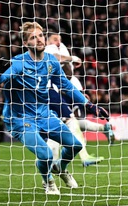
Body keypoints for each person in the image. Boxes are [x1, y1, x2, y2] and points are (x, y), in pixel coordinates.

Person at [0, 22, 110, 195]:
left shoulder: (51, 61)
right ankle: (48, 181)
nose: (38, 39)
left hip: (45, 114)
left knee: (75, 145)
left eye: (40, 35)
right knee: (45, 154)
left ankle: (60, 167)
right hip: (21, 118)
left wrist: (89, 105)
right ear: (25, 43)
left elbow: (66, 85)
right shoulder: (18, 63)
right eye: (32, 37)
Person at [45, 29, 115, 167]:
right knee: (66, 122)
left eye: (59, 39)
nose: (57, 41)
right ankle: (60, 161)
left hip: (64, 88)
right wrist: (72, 58)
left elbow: (67, 74)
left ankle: (61, 161)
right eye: (54, 39)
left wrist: (79, 93)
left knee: (71, 121)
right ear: (47, 40)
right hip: (51, 90)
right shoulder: (48, 48)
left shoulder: (61, 47)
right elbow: (55, 58)